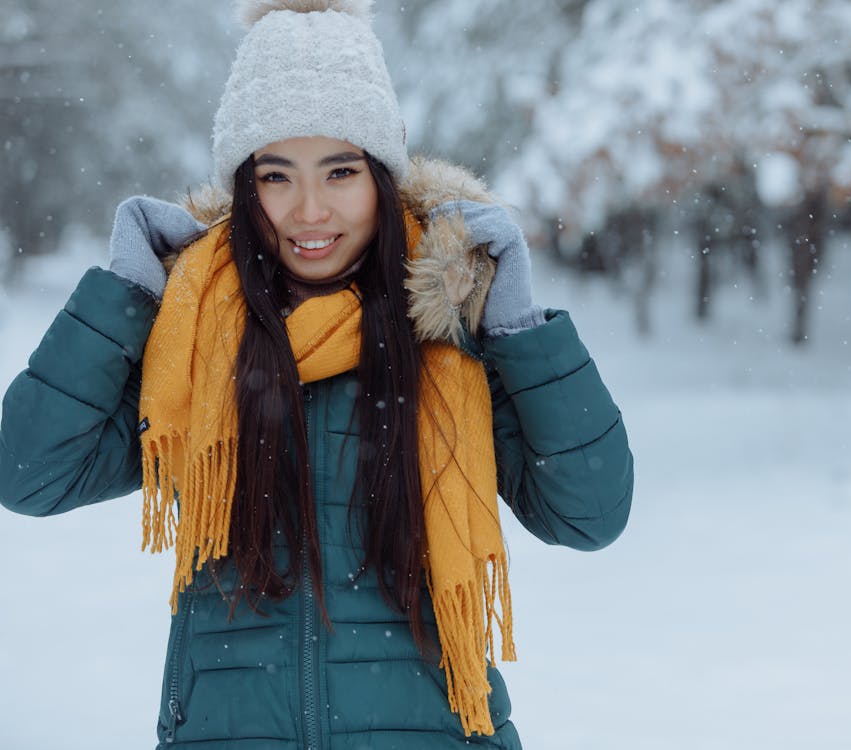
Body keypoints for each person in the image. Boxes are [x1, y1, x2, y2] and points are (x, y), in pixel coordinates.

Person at [0, 1, 633, 747]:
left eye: (340, 170)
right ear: (245, 189)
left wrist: (520, 331)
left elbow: (587, 515)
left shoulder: (448, 338)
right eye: (276, 175)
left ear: (383, 181)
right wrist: (128, 295)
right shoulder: (196, 345)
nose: (309, 211)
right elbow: (29, 472)